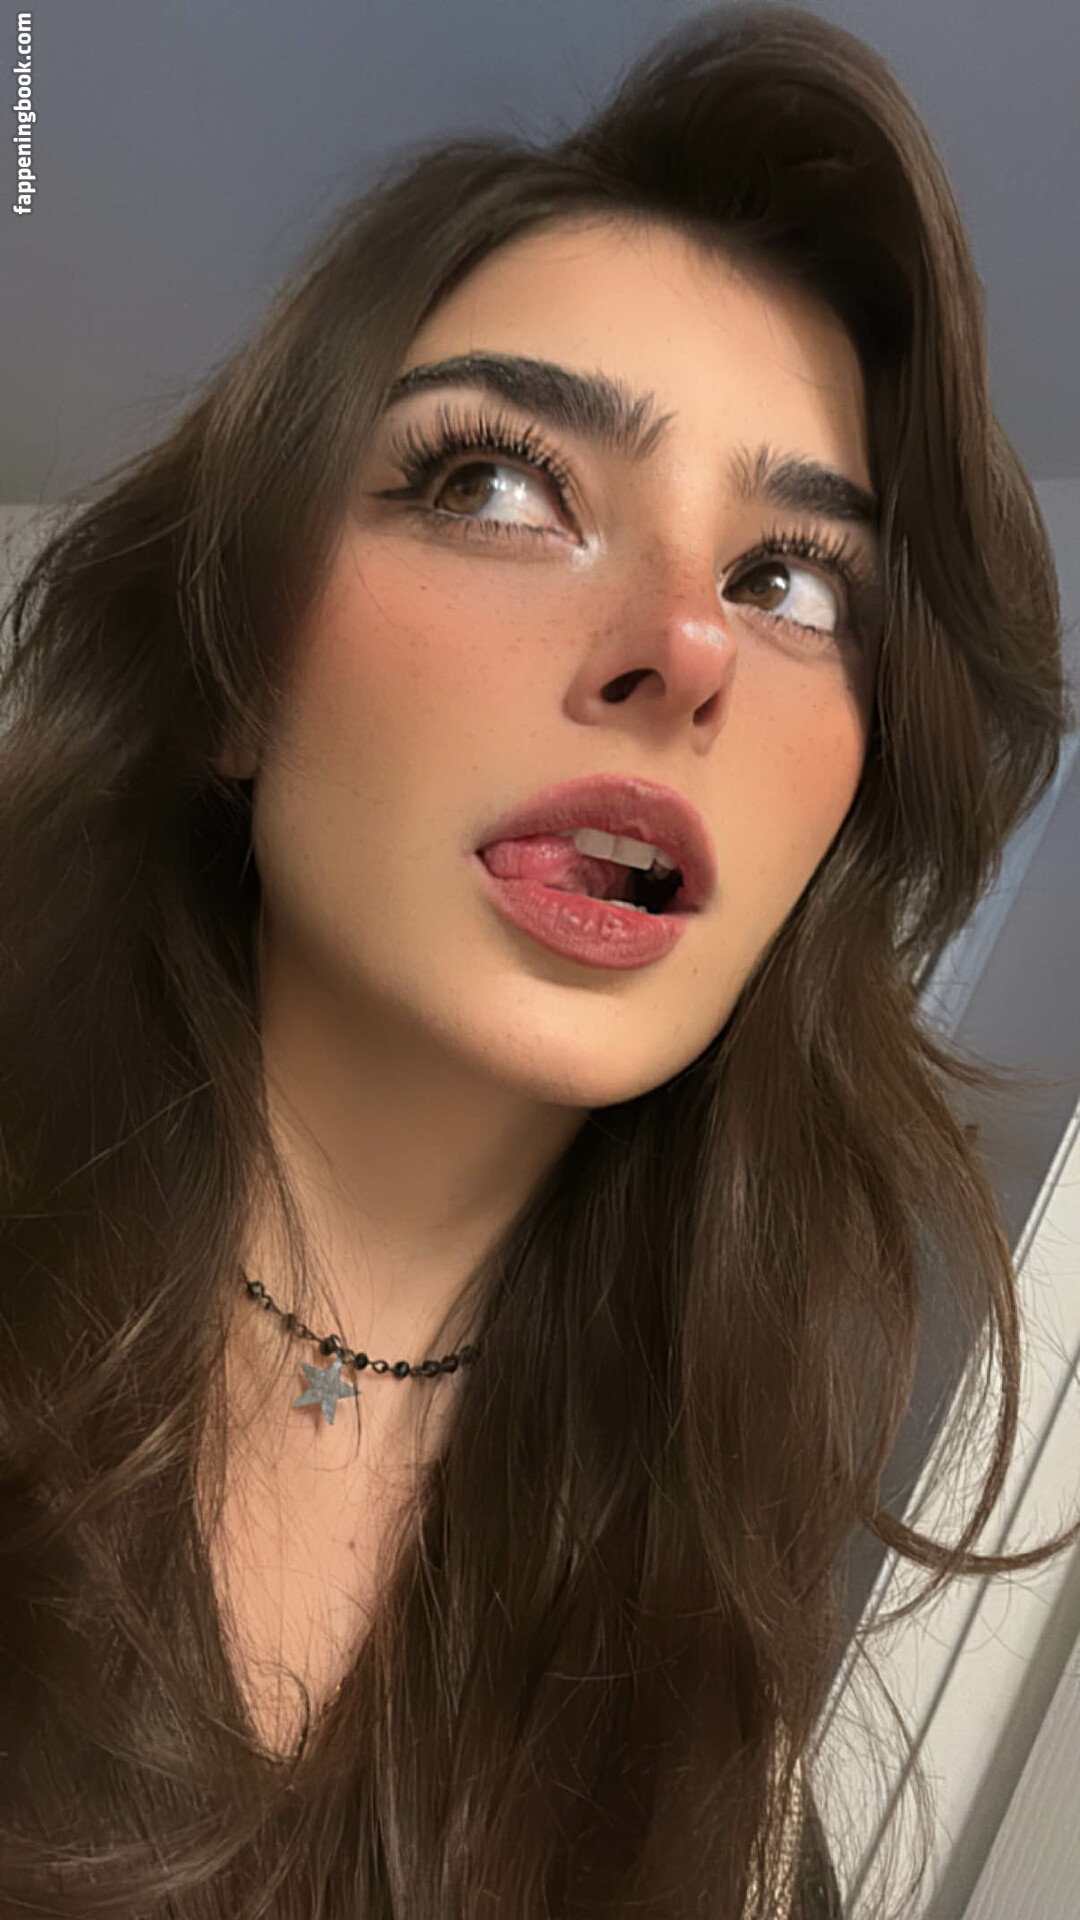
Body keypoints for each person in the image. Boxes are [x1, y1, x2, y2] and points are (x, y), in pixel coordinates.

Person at [0, 6, 1075, 1916]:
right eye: (499, 483)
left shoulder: (731, 1763)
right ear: (240, 671)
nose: (691, 643)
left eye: (791, 579)